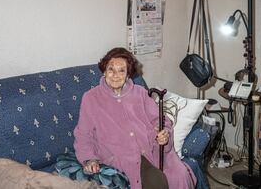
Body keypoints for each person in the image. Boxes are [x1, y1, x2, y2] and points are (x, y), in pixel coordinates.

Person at [74, 47, 196, 189]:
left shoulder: (140, 93)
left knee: (180, 175)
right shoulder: (91, 98)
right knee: (157, 182)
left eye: (122, 70)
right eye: (111, 69)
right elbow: (83, 134)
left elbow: (161, 120)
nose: (115, 75)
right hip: (122, 155)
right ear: (104, 71)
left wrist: (163, 133)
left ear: (128, 75)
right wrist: (89, 159)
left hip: (152, 147)